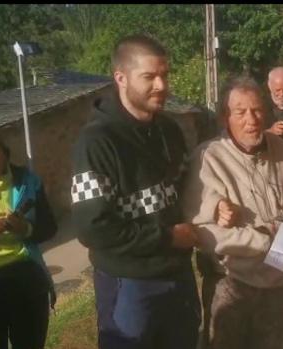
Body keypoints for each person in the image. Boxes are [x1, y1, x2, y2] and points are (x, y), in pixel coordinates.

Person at [70, 34, 200, 349]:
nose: (161, 85)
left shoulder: (169, 130)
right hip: (129, 284)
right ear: (121, 78)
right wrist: (167, 237)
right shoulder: (97, 142)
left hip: (178, 275)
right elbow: (94, 230)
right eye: (149, 76)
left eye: (164, 75)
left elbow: (184, 190)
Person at [182, 76, 283, 349]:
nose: (252, 119)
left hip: (278, 282)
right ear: (225, 118)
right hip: (232, 285)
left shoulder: (282, 150)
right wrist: (264, 239)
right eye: (241, 112)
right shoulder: (208, 159)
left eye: (258, 109)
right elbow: (202, 233)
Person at [0, 115, 57, 348]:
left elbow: (49, 228)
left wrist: (25, 228)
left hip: (26, 278)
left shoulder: (27, 182)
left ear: (5, 150)